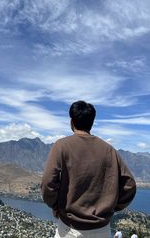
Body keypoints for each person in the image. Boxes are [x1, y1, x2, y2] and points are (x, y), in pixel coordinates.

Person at [41, 100, 136, 238]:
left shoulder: (61, 146)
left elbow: (47, 183)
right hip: (102, 230)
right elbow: (130, 185)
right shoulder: (109, 150)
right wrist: (112, 206)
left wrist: (56, 206)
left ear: (71, 122)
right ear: (92, 123)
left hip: (70, 230)